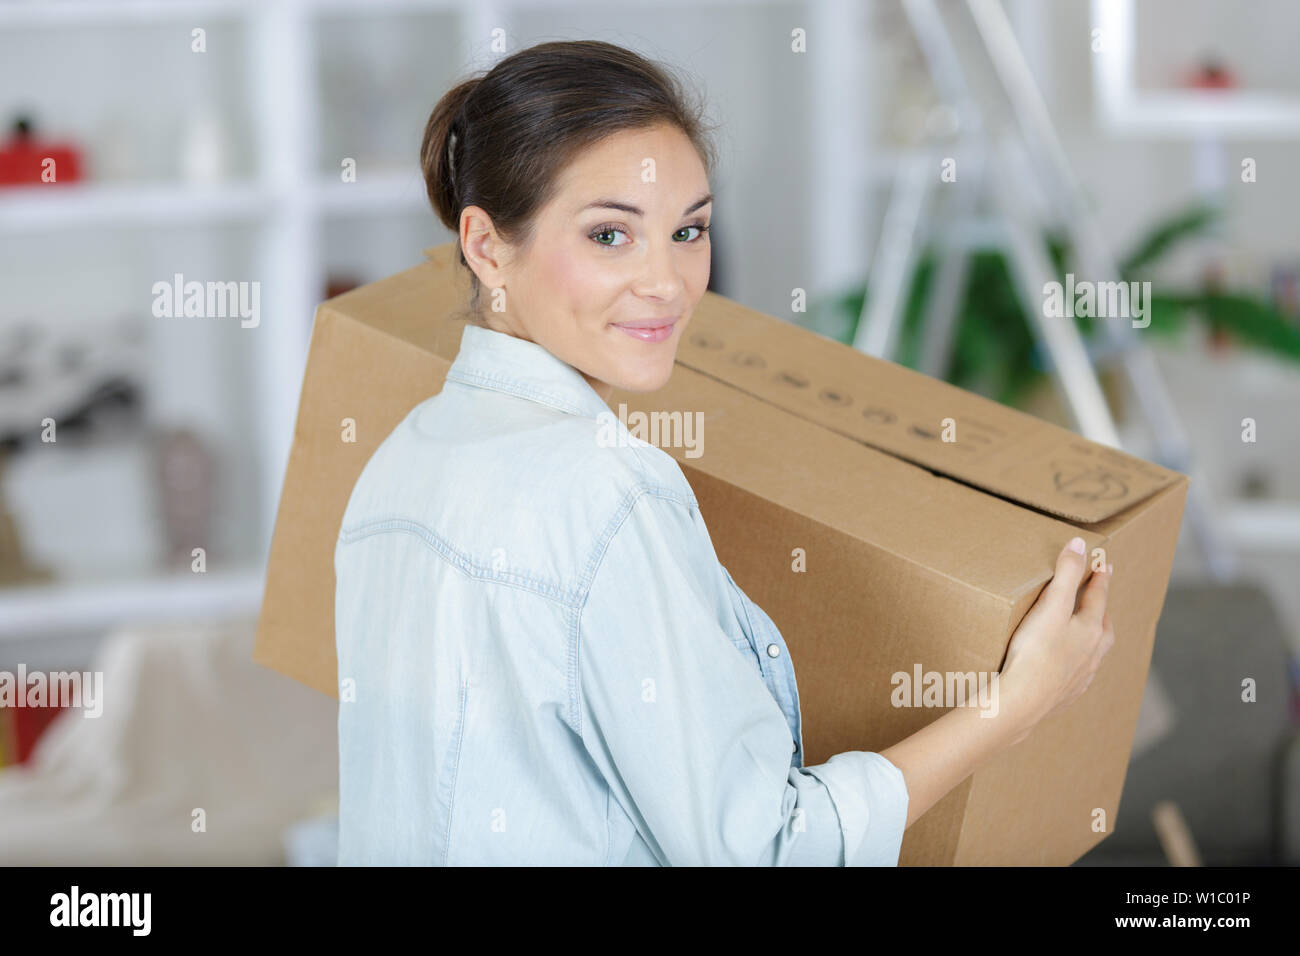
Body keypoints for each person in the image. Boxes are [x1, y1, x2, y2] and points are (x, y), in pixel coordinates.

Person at [333, 39, 1115, 866]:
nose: (667, 281)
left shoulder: (397, 464)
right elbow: (768, 851)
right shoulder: (606, 493)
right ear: (487, 247)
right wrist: (1017, 704)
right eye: (609, 235)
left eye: (689, 230)